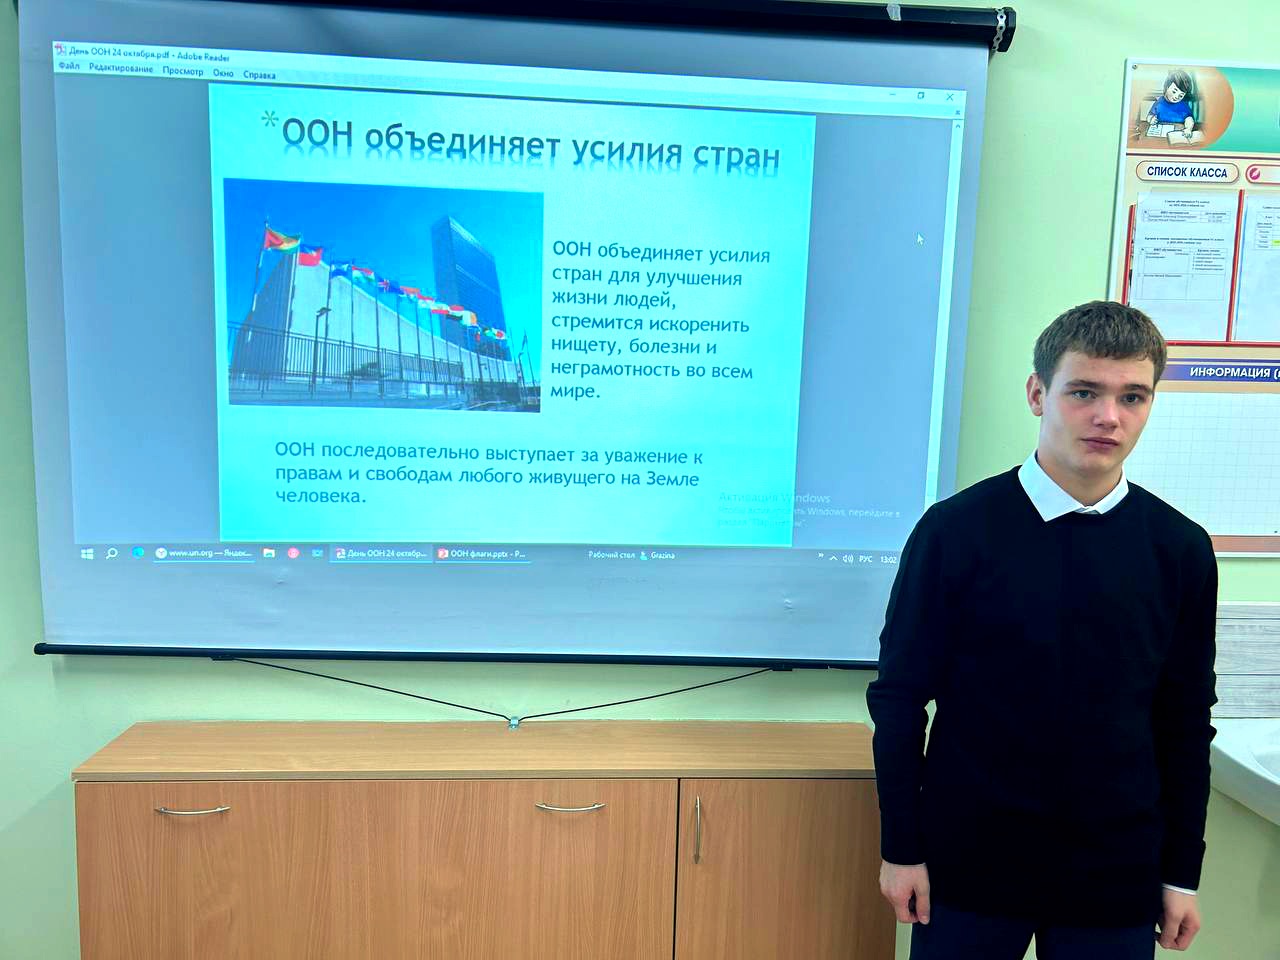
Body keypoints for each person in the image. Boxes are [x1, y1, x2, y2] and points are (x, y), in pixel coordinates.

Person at [866, 301, 1217, 960]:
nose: (1108, 416)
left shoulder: (1179, 549)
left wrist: (1181, 873)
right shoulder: (955, 531)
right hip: (969, 862)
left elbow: (1185, 721)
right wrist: (901, 847)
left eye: (1132, 396)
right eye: (1084, 392)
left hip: (1114, 871)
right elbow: (900, 698)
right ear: (1038, 394)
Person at [1145, 69, 1196, 139]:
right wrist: (1151, 119)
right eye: (1174, 91)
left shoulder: (1183, 105)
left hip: (1178, 134)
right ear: (1166, 87)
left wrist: (1188, 129)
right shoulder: (1159, 102)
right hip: (1160, 134)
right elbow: (1150, 115)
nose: (1176, 97)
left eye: (1181, 95)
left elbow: (1189, 118)